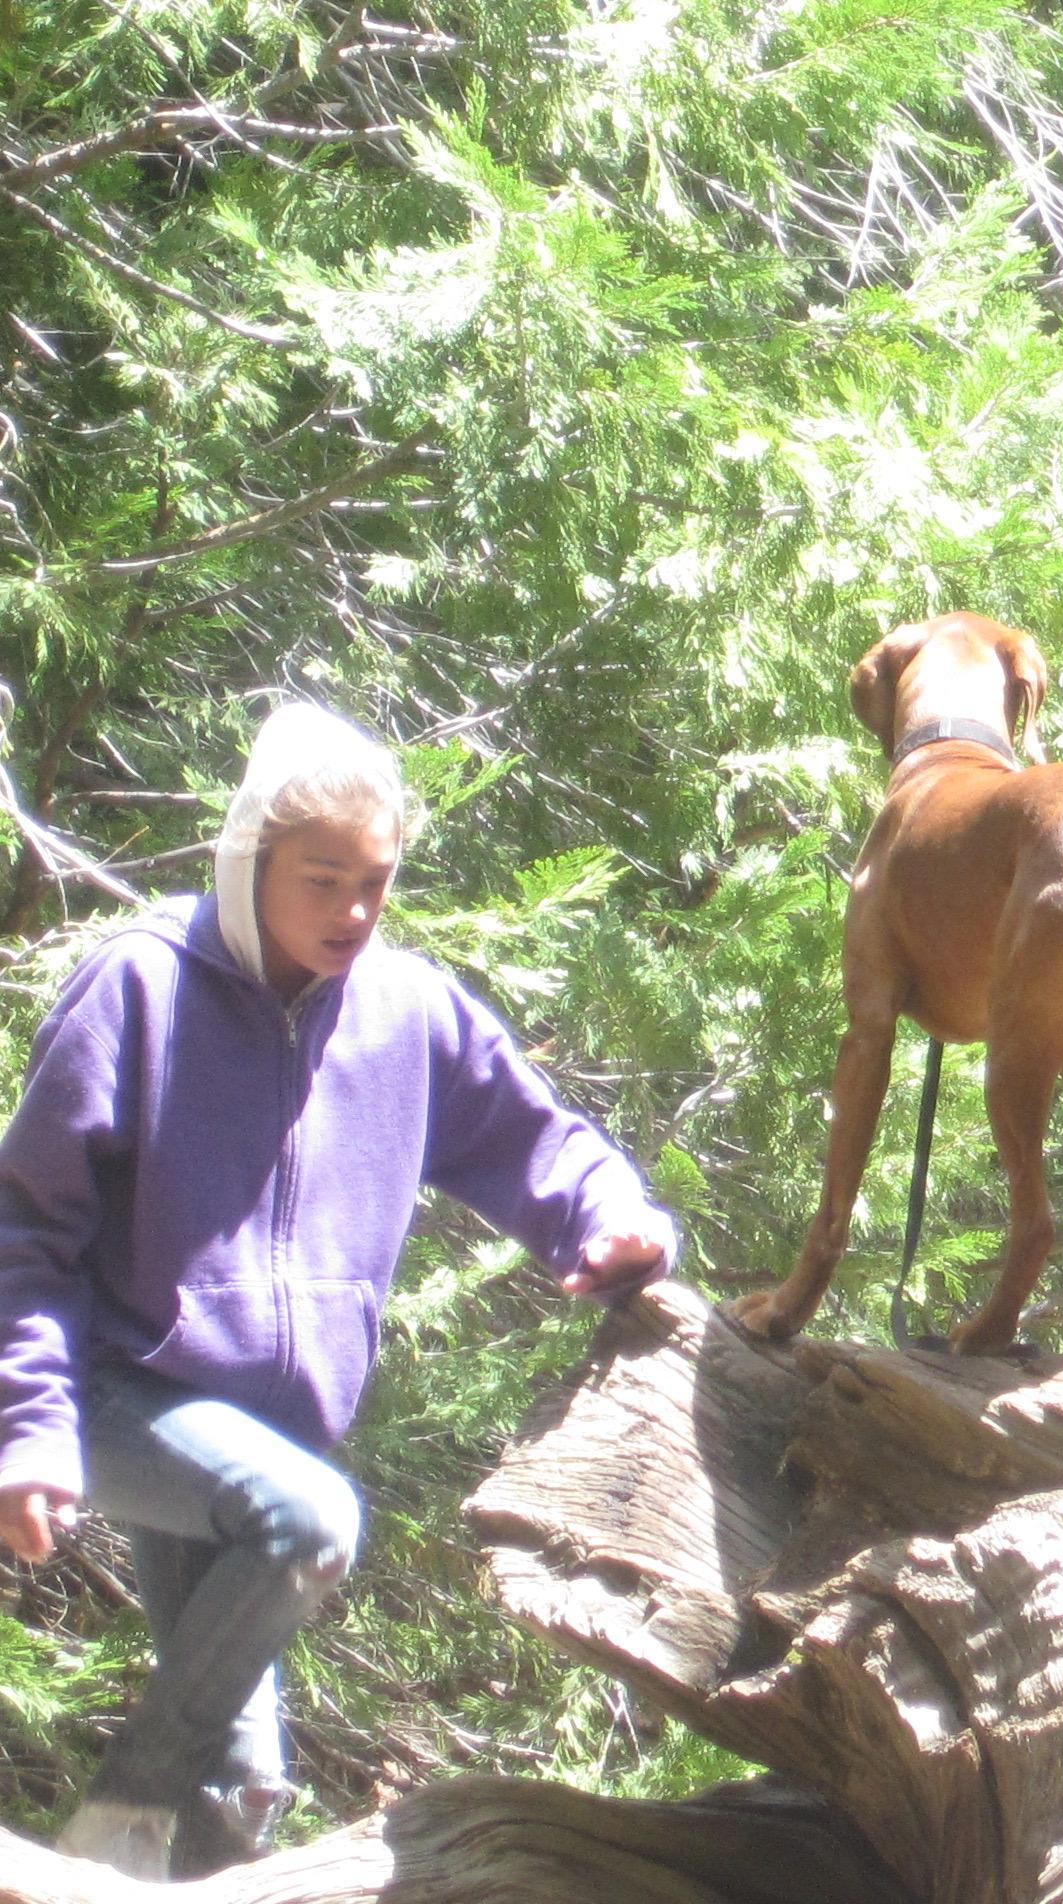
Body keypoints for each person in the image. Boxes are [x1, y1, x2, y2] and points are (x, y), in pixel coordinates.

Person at [0, 703, 677, 1879]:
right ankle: (118, 1819)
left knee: (253, 1779)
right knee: (312, 1522)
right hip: (115, 1396)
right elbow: (25, 1229)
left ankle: (150, 1865)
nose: (355, 914)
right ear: (246, 858)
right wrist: (28, 1428)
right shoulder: (139, 990)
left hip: (259, 1431)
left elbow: (536, 1141)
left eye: (376, 883)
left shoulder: (407, 1013)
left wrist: (612, 1217)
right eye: (324, 880)